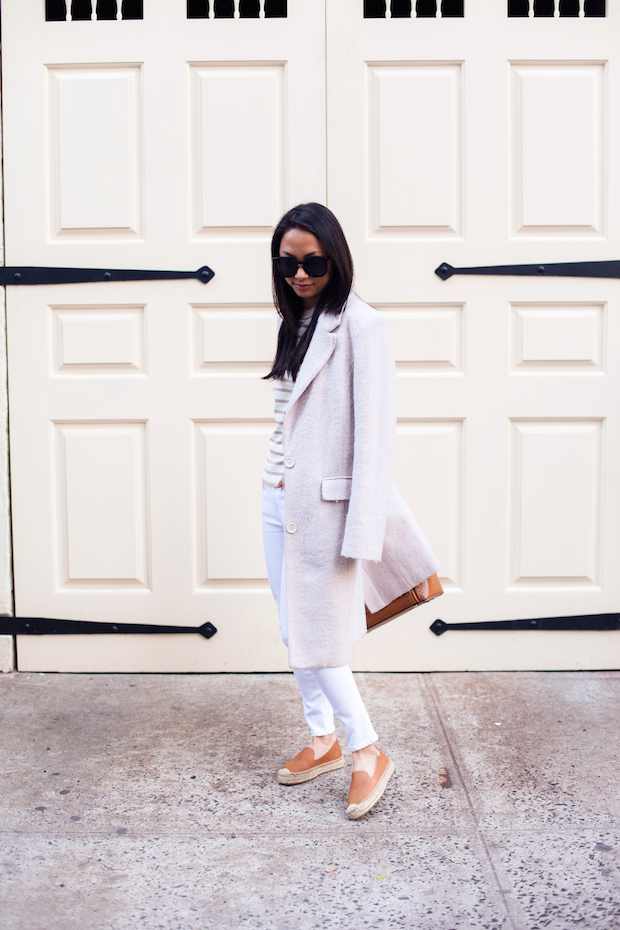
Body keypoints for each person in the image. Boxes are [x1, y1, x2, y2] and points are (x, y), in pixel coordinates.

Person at [261, 203, 440, 820]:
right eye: (288, 263)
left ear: (335, 257)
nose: (300, 274)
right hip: (277, 499)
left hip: (328, 511)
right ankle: (323, 739)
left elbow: (375, 440)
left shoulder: (362, 326)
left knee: (321, 635)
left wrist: (361, 532)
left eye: (312, 262)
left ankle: (368, 751)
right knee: (293, 629)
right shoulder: (296, 318)